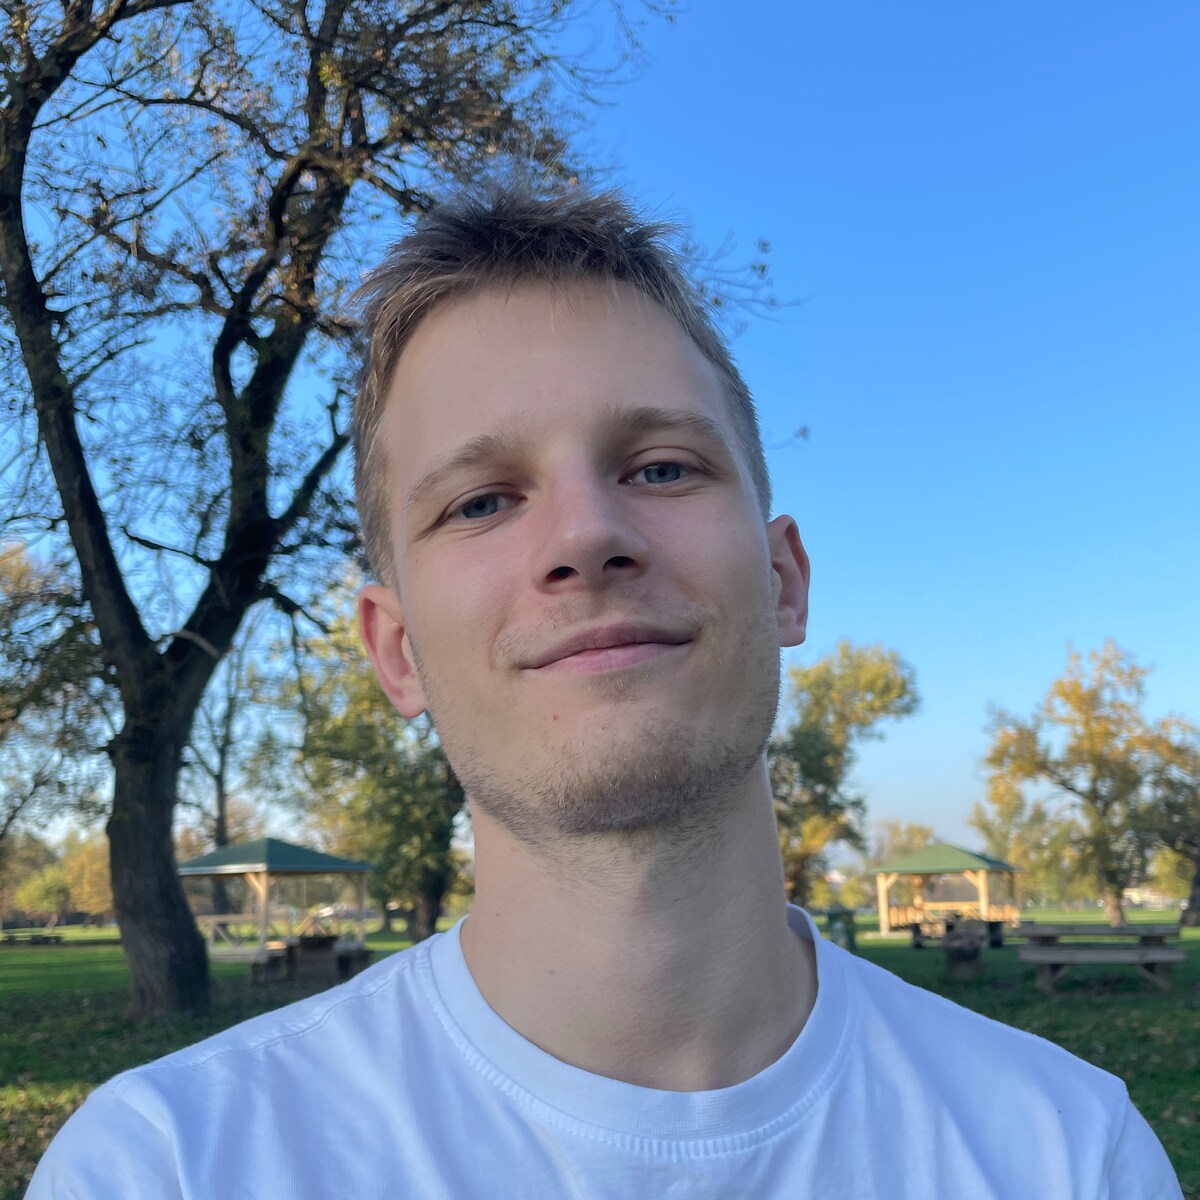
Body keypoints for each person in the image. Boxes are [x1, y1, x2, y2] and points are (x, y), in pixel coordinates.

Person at [28, 183, 1182, 1199]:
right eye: (480, 500)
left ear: (783, 582)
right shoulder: (167, 1167)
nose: (585, 535)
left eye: (661, 467)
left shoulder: (1067, 1154)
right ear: (396, 652)